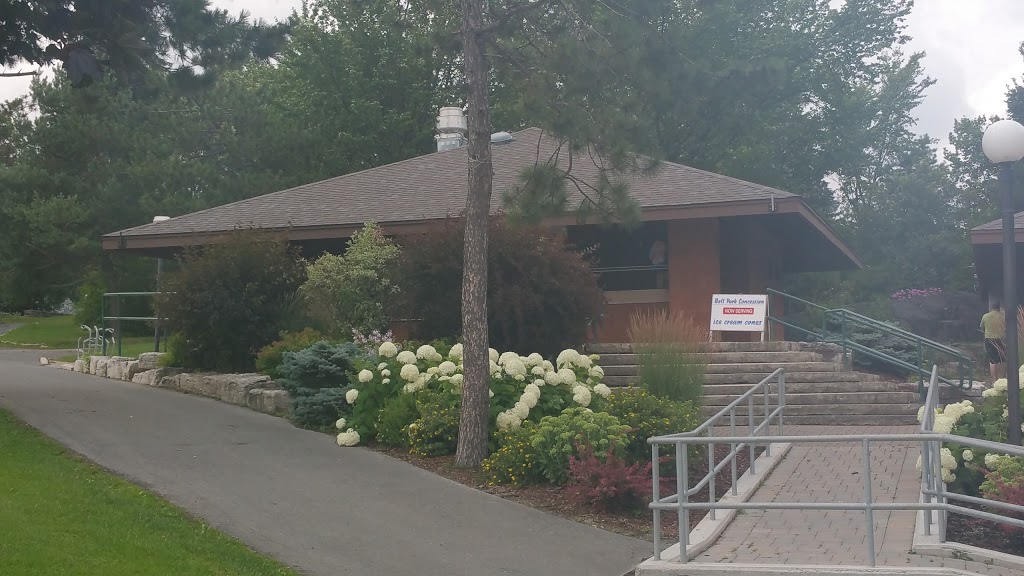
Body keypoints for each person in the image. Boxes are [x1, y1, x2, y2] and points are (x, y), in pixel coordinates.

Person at [981, 302, 1007, 383]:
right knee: (1003, 359)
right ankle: (1002, 379)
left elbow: (982, 327)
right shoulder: (1003, 316)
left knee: (992, 360)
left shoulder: (985, 316)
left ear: (992, 308)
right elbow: (1006, 327)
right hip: (1001, 340)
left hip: (989, 339)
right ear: (999, 307)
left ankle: (994, 380)